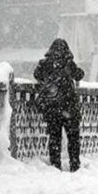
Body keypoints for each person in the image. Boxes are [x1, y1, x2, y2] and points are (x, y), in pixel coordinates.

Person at [34, 38, 85, 172]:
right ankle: (75, 164)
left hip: (52, 108)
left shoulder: (45, 64)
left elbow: (37, 75)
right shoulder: (68, 64)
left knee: (54, 138)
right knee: (73, 138)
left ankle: (55, 164)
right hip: (69, 107)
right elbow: (79, 75)